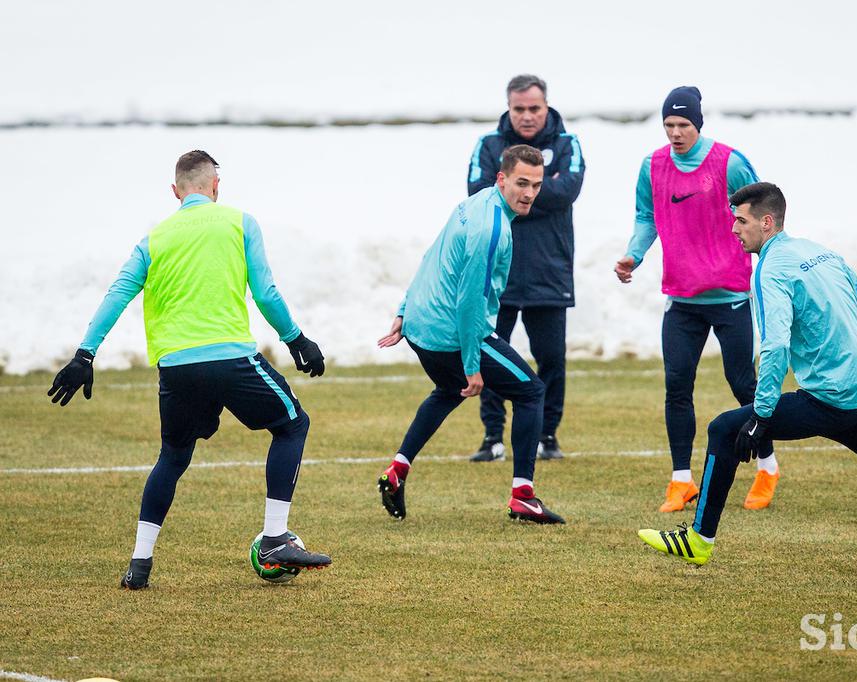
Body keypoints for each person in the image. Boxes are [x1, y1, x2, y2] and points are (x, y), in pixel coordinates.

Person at [638, 182, 857, 571]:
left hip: (830, 399)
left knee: (723, 428)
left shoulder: (770, 271)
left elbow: (775, 346)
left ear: (767, 222)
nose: (734, 229)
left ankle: (698, 541)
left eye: (741, 221)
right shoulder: (820, 252)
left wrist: (762, 415)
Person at [47, 150, 332, 589]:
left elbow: (117, 294)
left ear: (176, 192)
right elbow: (266, 292)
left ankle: (139, 565)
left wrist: (85, 354)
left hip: (176, 368)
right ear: (216, 187)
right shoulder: (240, 223)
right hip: (230, 359)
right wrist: (296, 339)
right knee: (293, 424)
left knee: (174, 456)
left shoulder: (154, 238)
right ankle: (274, 537)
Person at [377, 145, 565, 524]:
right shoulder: (491, 228)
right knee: (531, 392)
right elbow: (468, 301)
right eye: (521, 183)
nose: (529, 194)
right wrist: (472, 363)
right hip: (451, 330)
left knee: (447, 392)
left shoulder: (474, 201)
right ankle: (523, 496)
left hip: (420, 325)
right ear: (502, 178)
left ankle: (397, 469)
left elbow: (433, 254)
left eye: (536, 185)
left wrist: (404, 308)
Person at [614, 86, 776, 514]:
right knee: (676, 385)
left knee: (743, 384)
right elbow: (646, 216)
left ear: (698, 124)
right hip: (681, 297)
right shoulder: (653, 166)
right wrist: (635, 253)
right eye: (669, 125)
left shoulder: (730, 162)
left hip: (730, 295)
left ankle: (767, 466)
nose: (675, 133)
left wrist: (769, 262)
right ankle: (681, 480)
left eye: (683, 125)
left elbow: (761, 213)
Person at [467, 74, 585, 463]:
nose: (527, 116)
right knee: (491, 355)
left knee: (551, 358)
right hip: (496, 273)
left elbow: (567, 190)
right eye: (519, 109)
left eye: (534, 108)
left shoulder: (567, 144)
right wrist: (541, 188)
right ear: (508, 107)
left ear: (546, 106)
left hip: (549, 272)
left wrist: (517, 190)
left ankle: (547, 436)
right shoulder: (488, 145)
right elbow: (479, 193)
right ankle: (492, 438)